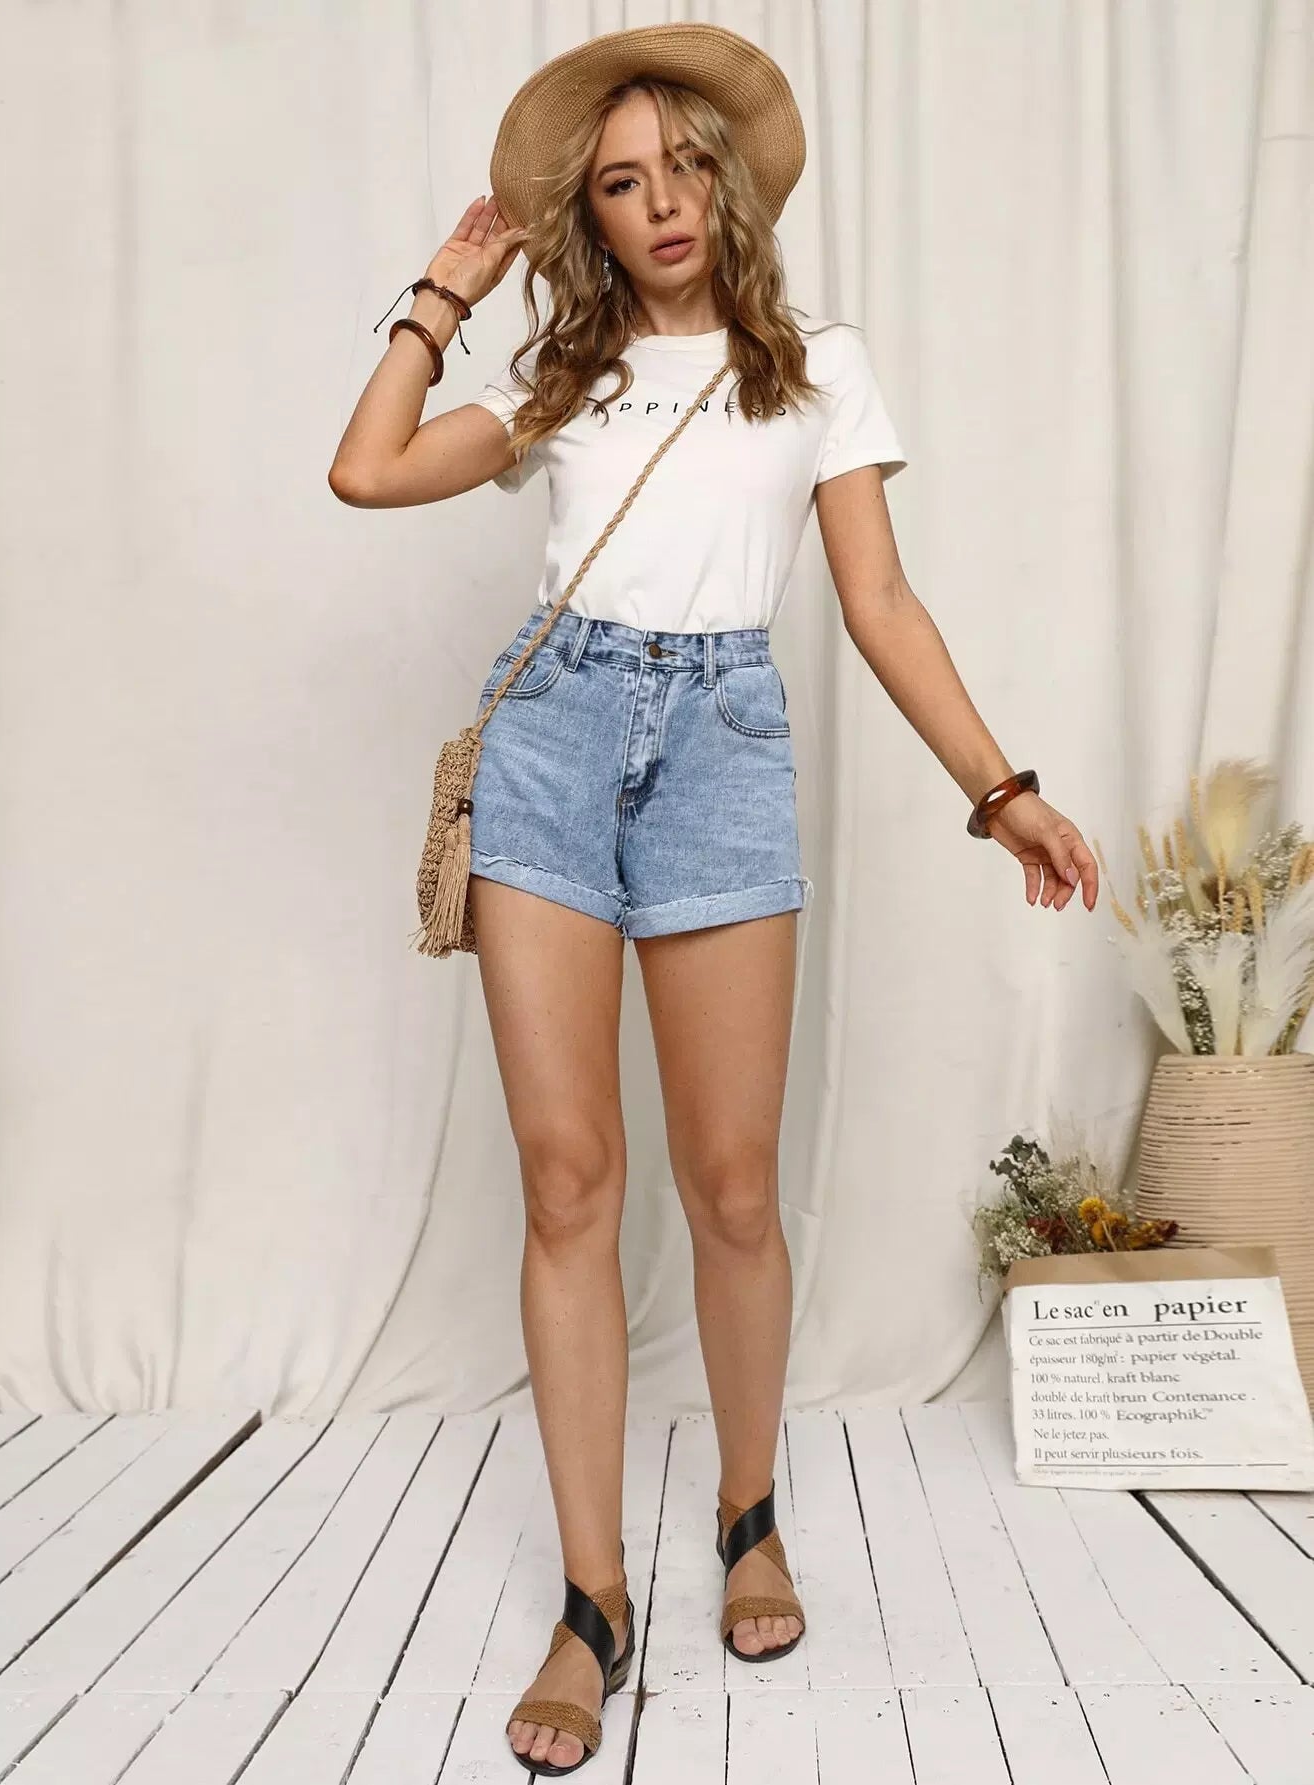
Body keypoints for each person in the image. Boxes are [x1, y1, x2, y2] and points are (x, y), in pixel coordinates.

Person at [329, 21, 1100, 1776]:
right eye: (621, 184)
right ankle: (592, 1599)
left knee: (734, 1182)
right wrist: (446, 291)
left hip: (723, 747)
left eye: (683, 167)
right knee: (567, 1178)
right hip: (550, 741)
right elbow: (366, 470)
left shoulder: (818, 370)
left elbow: (880, 604)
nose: (661, 202)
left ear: (729, 183)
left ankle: (751, 1511)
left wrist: (1004, 791)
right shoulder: (565, 383)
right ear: (588, 219)